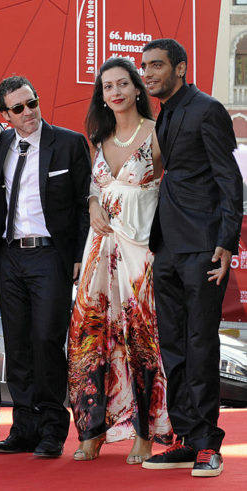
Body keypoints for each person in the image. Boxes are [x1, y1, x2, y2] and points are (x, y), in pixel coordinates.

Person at [139, 39, 242, 478]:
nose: (148, 73)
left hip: (202, 247)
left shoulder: (207, 108)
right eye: (144, 66)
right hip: (167, 247)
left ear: (180, 68)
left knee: (200, 345)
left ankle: (207, 445)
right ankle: (185, 437)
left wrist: (226, 240)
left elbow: (229, 178)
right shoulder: (165, 114)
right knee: (174, 347)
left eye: (157, 66)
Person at [67, 57, 173, 464]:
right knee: (89, 338)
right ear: (102, 95)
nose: (115, 91)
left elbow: (170, 188)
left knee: (141, 340)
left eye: (123, 84)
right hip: (99, 253)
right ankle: (93, 430)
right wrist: (94, 202)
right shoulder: (99, 136)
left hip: (140, 251)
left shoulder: (156, 133)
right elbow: (98, 187)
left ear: (136, 89)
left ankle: (145, 433)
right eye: (107, 86)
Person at [0, 76, 90, 458]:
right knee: (16, 345)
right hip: (10, 255)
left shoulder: (69, 143)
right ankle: (24, 427)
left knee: (47, 341)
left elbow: (84, 205)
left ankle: (52, 428)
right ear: (5, 115)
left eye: (32, 102)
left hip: (51, 256)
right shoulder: (0, 145)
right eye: (18, 108)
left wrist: (80, 254)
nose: (28, 112)